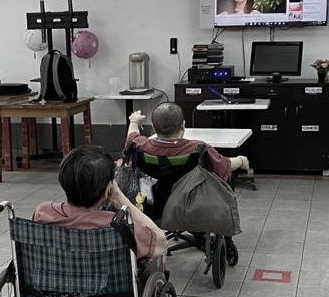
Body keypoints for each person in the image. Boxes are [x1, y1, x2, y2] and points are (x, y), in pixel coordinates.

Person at [33, 144, 167, 267]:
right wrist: (119, 197)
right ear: (106, 191)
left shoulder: (43, 212)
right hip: (109, 290)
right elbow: (161, 242)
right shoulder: (118, 227)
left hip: (52, 288)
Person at [125, 102, 249, 182]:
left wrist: (134, 121)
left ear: (153, 127)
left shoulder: (140, 145)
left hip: (151, 203)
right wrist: (241, 160)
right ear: (183, 126)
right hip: (190, 204)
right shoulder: (199, 148)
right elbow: (224, 165)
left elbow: (132, 135)